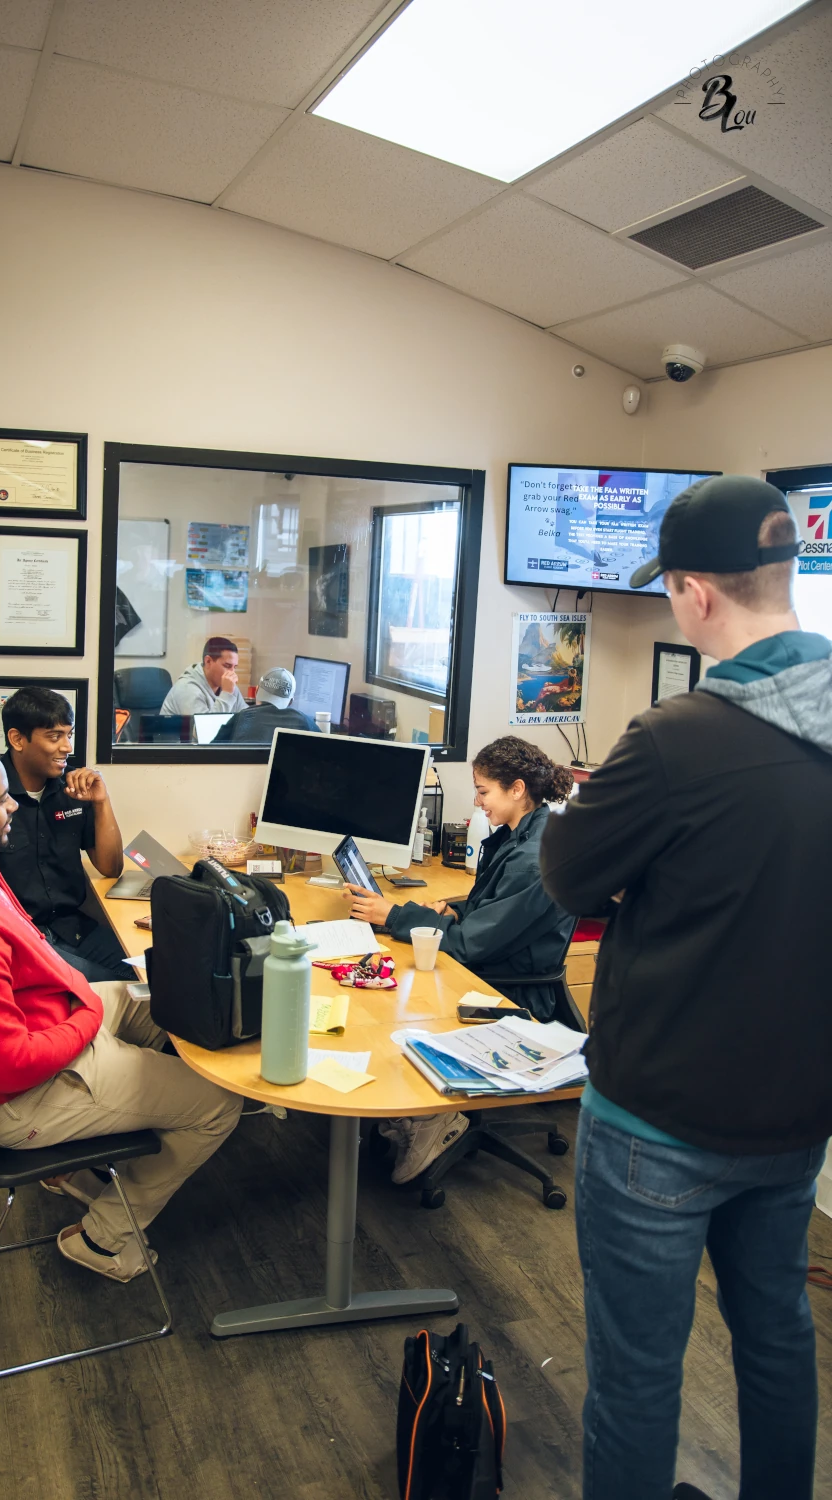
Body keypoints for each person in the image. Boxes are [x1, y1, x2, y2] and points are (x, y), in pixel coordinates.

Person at [540, 475, 832, 1500]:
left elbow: (567, 876)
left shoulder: (675, 737)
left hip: (657, 1123)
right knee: (778, 1341)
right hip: (796, 1120)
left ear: (697, 596)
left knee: (636, 1375)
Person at [0, 711, 242, 1283]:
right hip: (22, 1092)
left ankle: (89, 1161)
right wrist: (88, 1017)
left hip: (48, 1015)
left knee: (171, 998)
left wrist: (86, 1003)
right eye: (0, 800)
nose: (14, 804)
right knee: (219, 1105)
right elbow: (9, 1064)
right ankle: (103, 1236)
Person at [344, 737, 575, 1185]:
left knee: (393, 994)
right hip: (495, 964)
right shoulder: (523, 834)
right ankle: (420, 1110)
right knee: (390, 969)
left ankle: (433, 1120)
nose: (477, 801)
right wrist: (454, 911)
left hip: (509, 989)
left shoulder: (533, 859)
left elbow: (472, 945)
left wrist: (393, 914)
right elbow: (489, 916)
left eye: (484, 791)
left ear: (517, 789)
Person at [0, 685, 132, 983]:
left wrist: (102, 802)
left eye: (69, 734)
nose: (67, 746)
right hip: (21, 939)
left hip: (73, 928)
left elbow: (111, 867)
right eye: (54, 737)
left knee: (148, 970)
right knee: (118, 987)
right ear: (17, 739)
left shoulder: (73, 788)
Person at [211, 666, 318, 744]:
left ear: (256, 691)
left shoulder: (241, 718)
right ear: (290, 701)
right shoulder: (304, 721)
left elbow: (210, 753)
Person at [161, 637, 247, 716]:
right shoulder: (187, 688)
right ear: (208, 661)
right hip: (179, 733)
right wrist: (227, 694)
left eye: (234, 667)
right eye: (227, 666)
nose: (232, 673)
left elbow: (246, 718)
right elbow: (206, 730)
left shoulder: (228, 684)